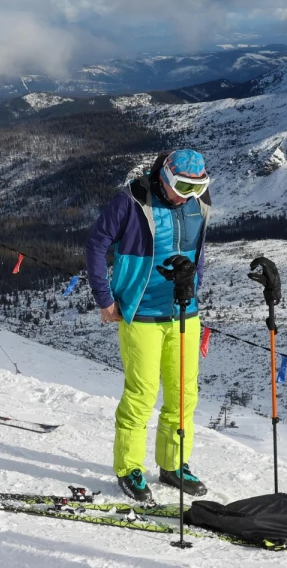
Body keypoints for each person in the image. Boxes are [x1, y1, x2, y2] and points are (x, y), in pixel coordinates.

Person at [85, 149, 212, 502]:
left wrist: (195, 282)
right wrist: (105, 299)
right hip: (141, 310)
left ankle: (173, 464)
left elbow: (198, 248)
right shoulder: (131, 200)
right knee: (141, 395)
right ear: (166, 177)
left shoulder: (199, 201)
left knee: (184, 394)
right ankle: (128, 467)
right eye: (183, 186)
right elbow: (96, 244)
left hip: (184, 310)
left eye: (198, 188)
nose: (189, 196)